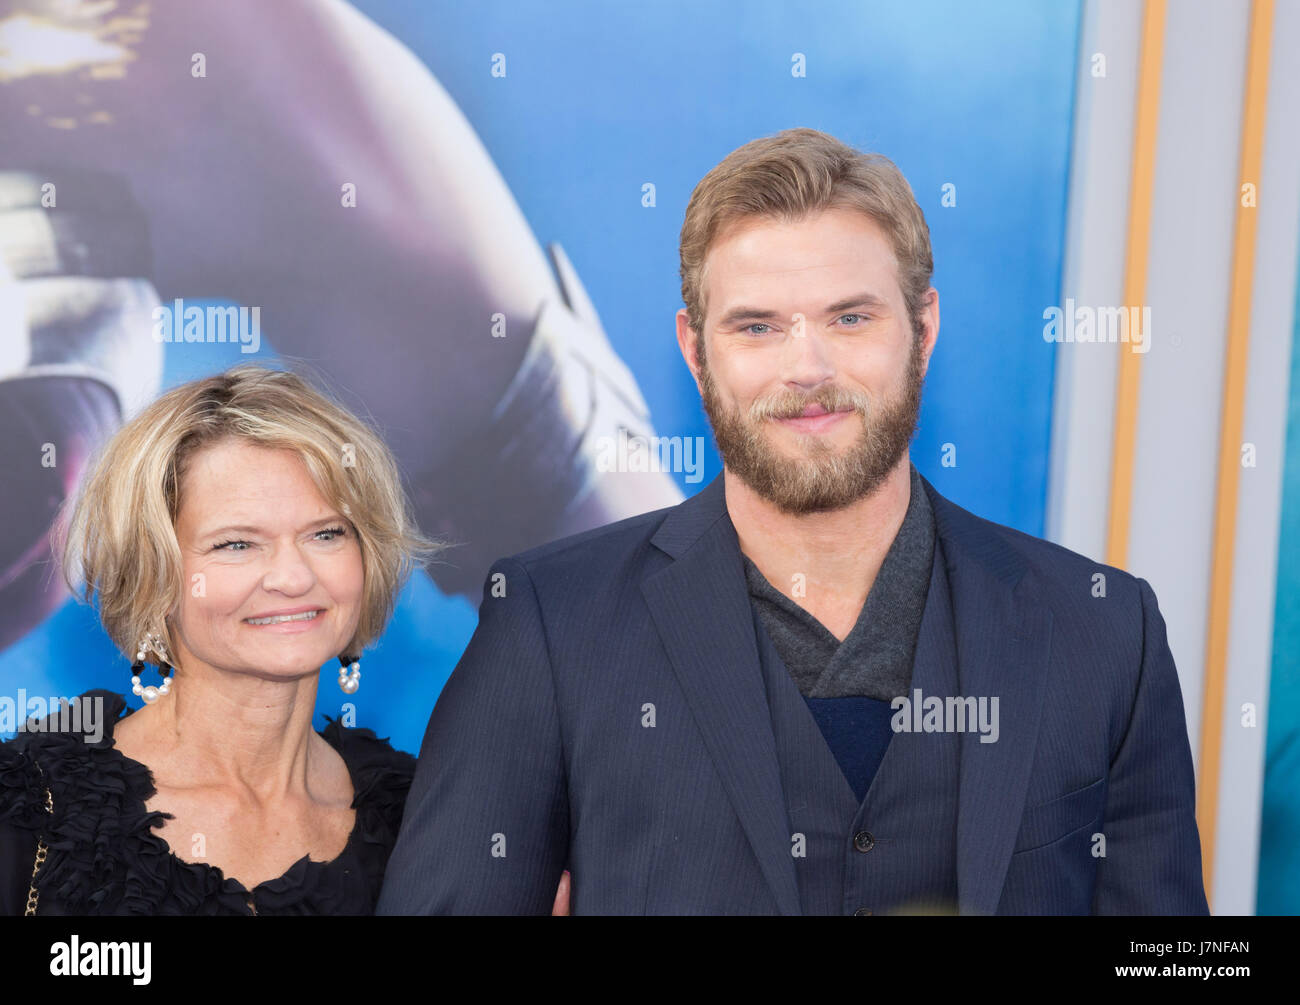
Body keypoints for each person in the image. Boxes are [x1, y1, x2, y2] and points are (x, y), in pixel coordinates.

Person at [377, 128, 1210, 915]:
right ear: (696, 352)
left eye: (850, 317)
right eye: (757, 327)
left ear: (923, 330)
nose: (806, 369)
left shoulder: (1103, 629)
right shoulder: (548, 623)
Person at [0, 363, 568, 915]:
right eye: (237, 544)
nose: (294, 578)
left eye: (326, 533)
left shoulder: (425, 823)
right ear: (153, 574)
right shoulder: (29, 805)